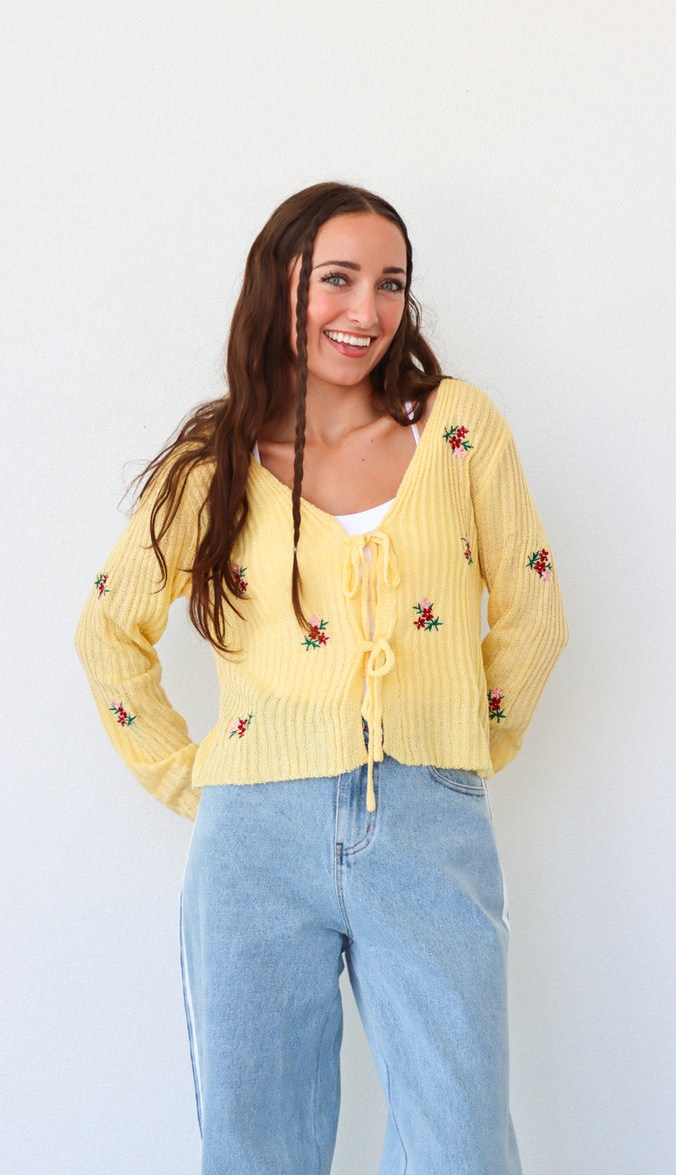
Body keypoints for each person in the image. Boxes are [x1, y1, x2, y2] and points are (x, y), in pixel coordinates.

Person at [75, 181, 569, 1174]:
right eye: (337, 279)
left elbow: (532, 611)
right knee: (257, 1148)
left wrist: (457, 753)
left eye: (390, 284)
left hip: (428, 823)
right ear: (281, 285)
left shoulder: (457, 428)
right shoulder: (212, 460)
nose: (366, 310)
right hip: (253, 841)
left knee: (460, 1145)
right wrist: (188, 775)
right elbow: (107, 630)